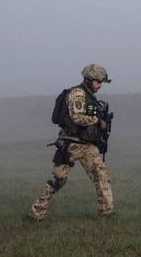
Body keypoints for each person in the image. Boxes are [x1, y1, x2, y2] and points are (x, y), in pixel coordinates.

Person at [29, 64, 114, 220]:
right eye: (97, 81)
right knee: (58, 180)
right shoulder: (78, 94)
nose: (100, 85)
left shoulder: (90, 95)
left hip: (88, 146)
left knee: (102, 176)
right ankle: (36, 213)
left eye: (101, 82)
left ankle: (106, 213)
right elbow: (78, 118)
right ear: (88, 80)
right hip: (71, 144)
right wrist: (97, 120)